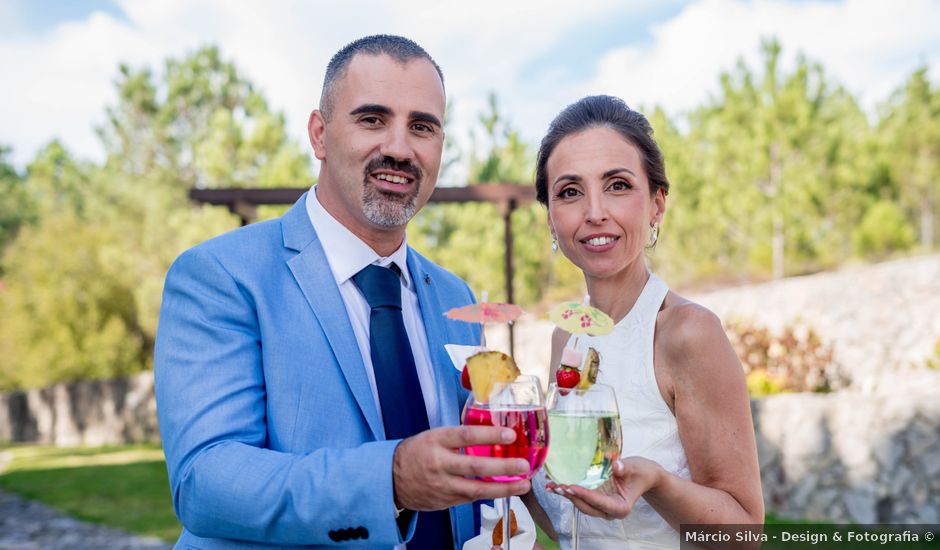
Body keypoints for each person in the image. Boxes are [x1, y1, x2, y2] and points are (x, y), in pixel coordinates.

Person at [154, 35, 532, 549]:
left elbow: (467, 460)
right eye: (372, 120)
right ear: (320, 134)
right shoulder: (220, 275)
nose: (399, 148)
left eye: (422, 126)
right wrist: (389, 482)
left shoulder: (453, 292)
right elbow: (206, 482)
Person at [525, 95, 764, 549]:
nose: (594, 211)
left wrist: (657, 482)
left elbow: (743, 535)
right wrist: (516, 479)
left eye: (617, 185)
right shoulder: (566, 340)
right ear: (552, 220)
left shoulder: (686, 333)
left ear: (656, 205)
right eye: (570, 192)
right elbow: (571, 524)